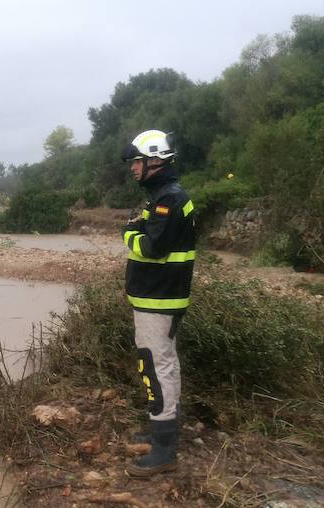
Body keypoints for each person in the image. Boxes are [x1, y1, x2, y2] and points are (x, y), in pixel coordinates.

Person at [120, 129, 196, 477]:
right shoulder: (164, 196)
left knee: (154, 364)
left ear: (154, 160)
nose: (132, 169)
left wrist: (128, 233)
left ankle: (163, 449)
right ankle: (162, 428)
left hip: (159, 299)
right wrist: (140, 226)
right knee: (165, 362)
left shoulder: (169, 199)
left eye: (136, 162)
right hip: (161, 297)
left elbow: (152, 247)